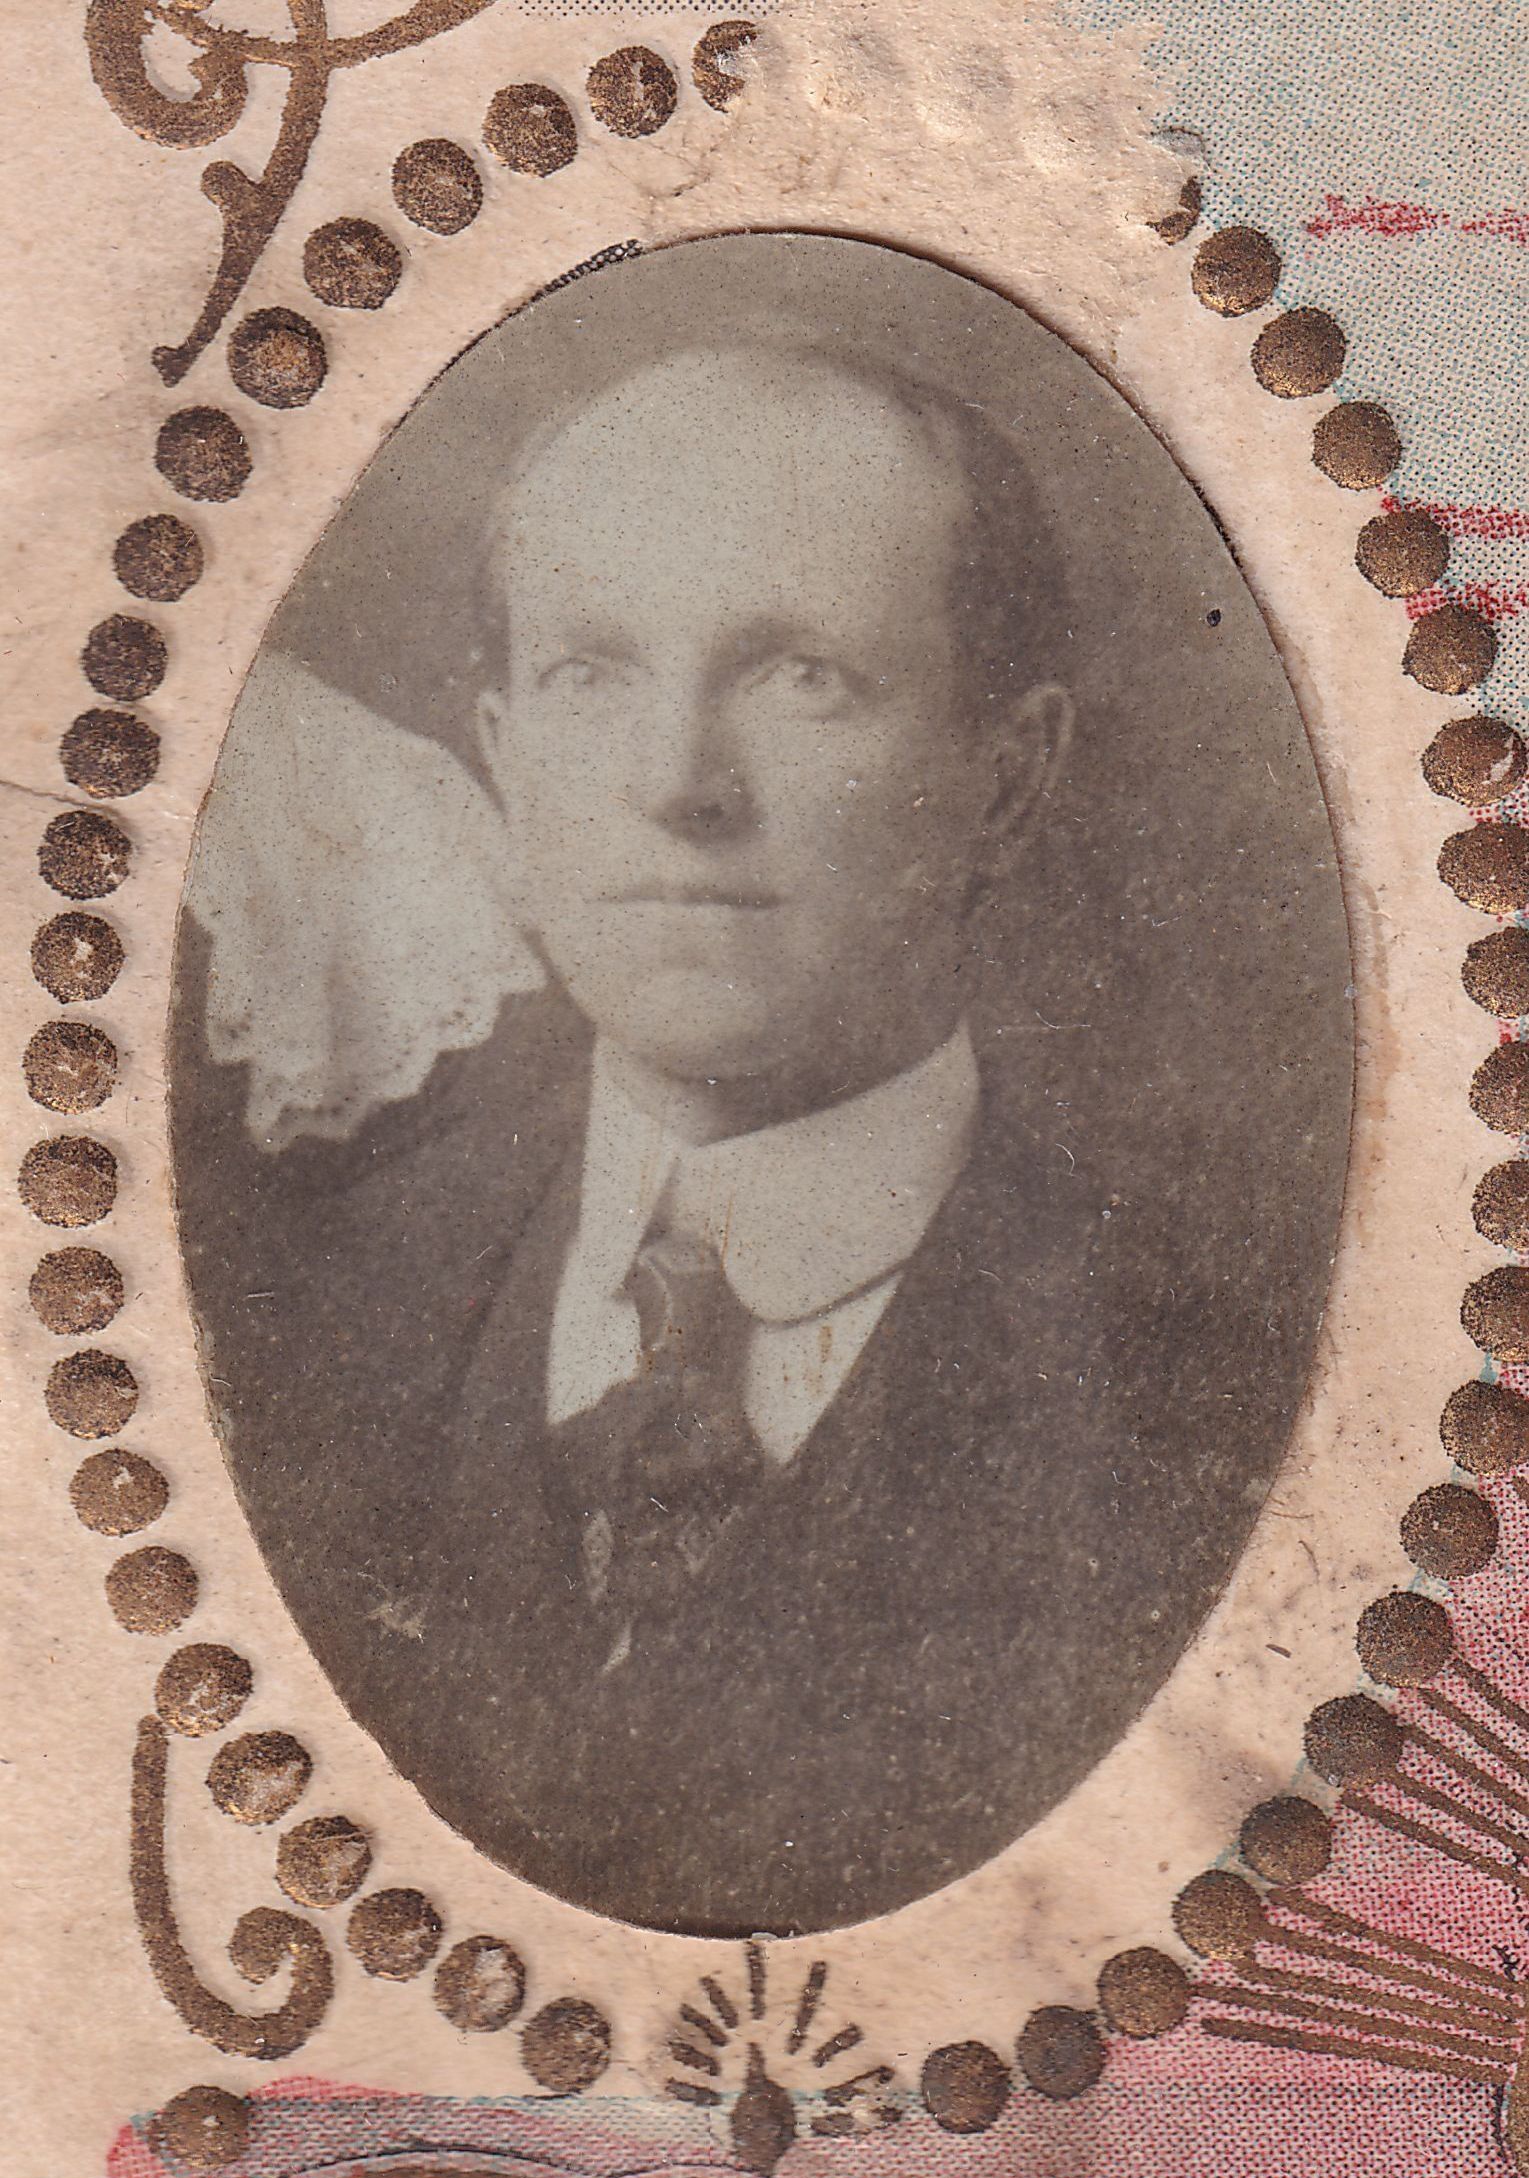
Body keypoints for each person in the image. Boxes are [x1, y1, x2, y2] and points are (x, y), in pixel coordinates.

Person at [174, 334, 1279, 1933]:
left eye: (799, 674)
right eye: (591, 674)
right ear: (502, 756)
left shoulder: (1204, 1397)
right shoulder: (292, 1314)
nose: (678, 784)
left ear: (1007, 777)